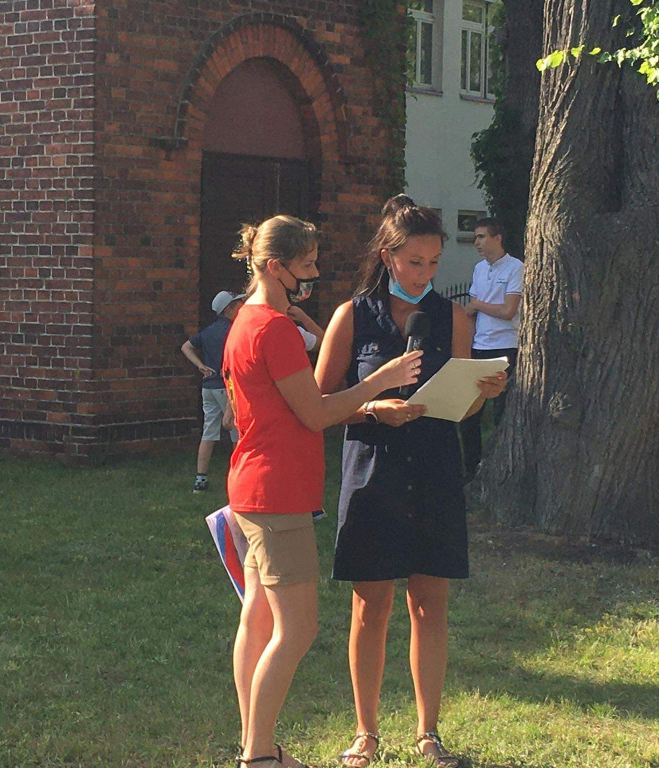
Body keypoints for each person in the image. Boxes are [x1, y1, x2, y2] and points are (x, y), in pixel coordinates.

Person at [222, 215, 422, 768]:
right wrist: (380, 380)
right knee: (297, 628)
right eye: (306, 265)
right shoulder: (275, 329)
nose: (313, 274)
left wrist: (365, 407)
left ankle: (255, 745)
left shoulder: (247, 321)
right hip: (276, 493)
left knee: (258, 619)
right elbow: (313, 413)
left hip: (252, 485)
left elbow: (293, 412)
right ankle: (259, 754)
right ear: (274, 266)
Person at [315, 196, 507, 768]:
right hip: (373, 468)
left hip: (434, 469)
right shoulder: (353, 314)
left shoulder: (454, 317)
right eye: (414, 262)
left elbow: (463, 409)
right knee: (370, 605)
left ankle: (428, 734)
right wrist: (375, 406)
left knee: (429, 603)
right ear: (387, 255)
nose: (425, 274)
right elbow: (320, 405)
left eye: (433, 263)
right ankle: (366, 733)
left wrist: (480, 394)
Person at [459, 217, 522, 480]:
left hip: (506, 347)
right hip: (479, 346)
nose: (477, 243)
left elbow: (509, 310)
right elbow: (472, 311)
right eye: (475, 237)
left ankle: (502, 471)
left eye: (482, 236)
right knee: (469, 414)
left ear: (498, 238)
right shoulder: (478, 269)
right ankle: (472, 471)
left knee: (502, 414)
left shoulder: (515, 268)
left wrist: (477, 306)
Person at [180, 290, 244, 493]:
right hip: (228, 387)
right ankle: (238, 480)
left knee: (209, 431)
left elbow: (186, 347)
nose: (241, 307)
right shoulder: (235, 330)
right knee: (238, 434)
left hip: (208, 387)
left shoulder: (208, 332)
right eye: (238, 304)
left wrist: (200, 365)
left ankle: (200, 479)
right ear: (230, 309)